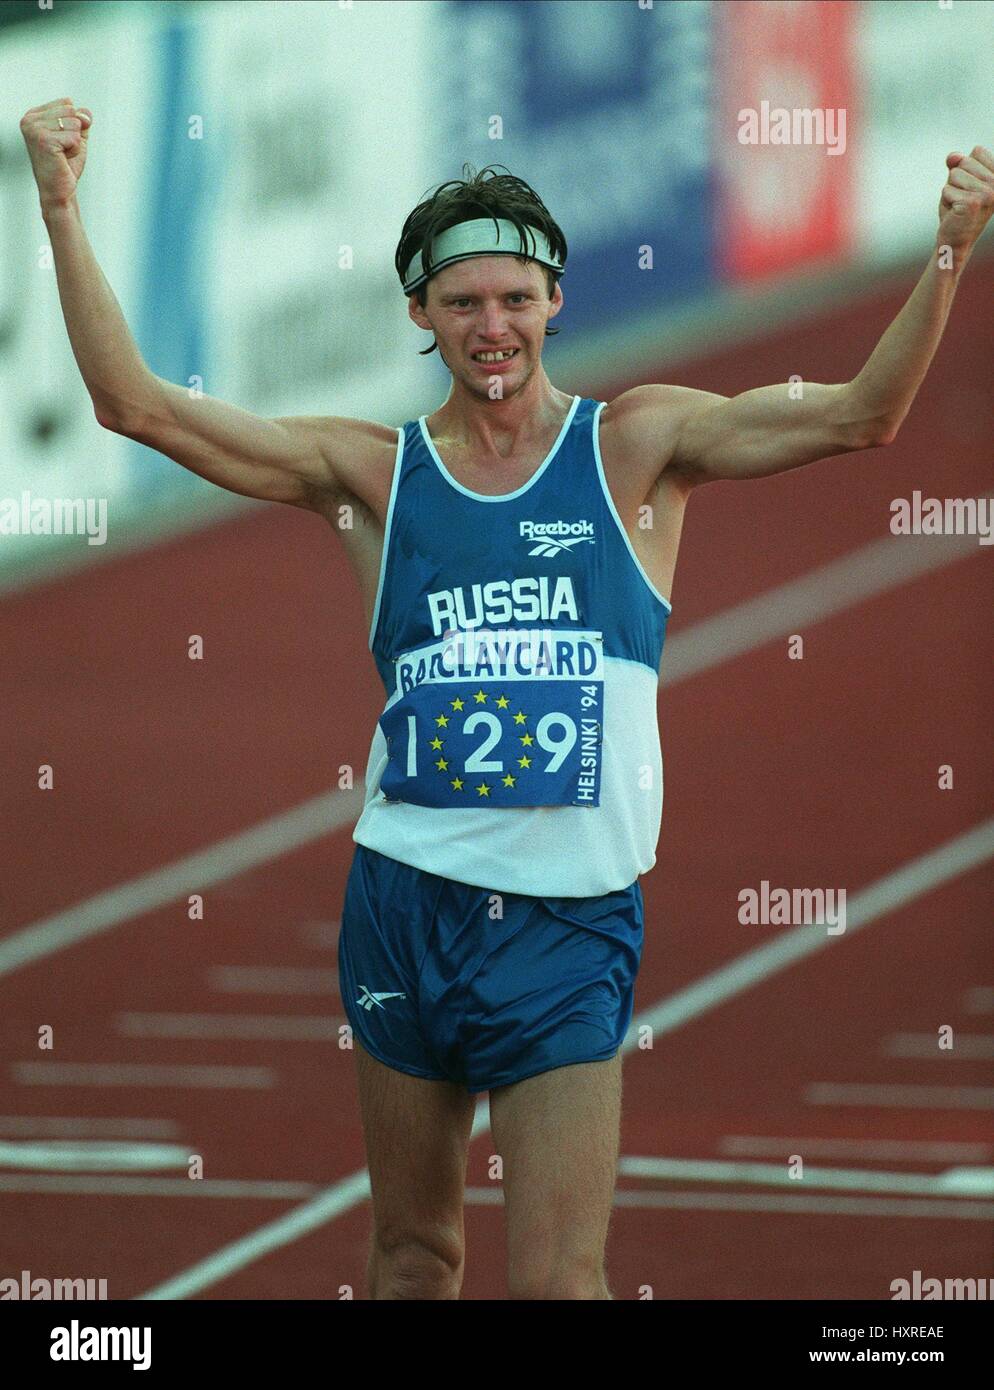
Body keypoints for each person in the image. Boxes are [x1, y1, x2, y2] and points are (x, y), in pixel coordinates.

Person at [21, 98, 994, 1299]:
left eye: (515, 297)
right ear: (420, 314)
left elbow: (864, 414)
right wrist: (60, 205)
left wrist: (951, 245)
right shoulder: (372, 474)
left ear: (555, 302)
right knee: (413, 1252)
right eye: (464, 302)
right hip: (403, 906)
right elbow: (138, 407)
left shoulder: (637, 447)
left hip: (569, 927)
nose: (493, 326)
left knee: (557, 1283)